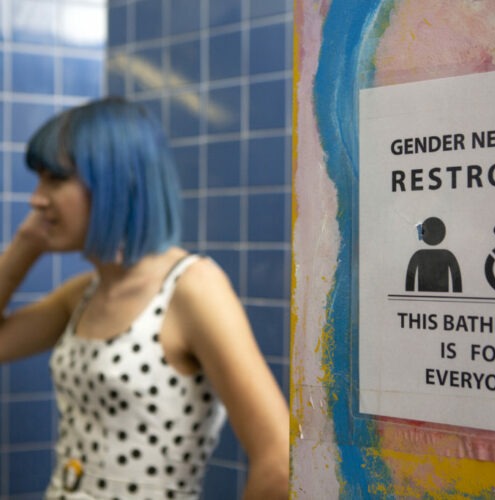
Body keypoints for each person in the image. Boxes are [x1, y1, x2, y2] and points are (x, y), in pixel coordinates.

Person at [0, 97, 289, 499]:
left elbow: (278, 459)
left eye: (55, 179)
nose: (36, 197)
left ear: (113, 182)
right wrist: (25, 245)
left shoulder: (192, 288)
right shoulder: (85, 293)